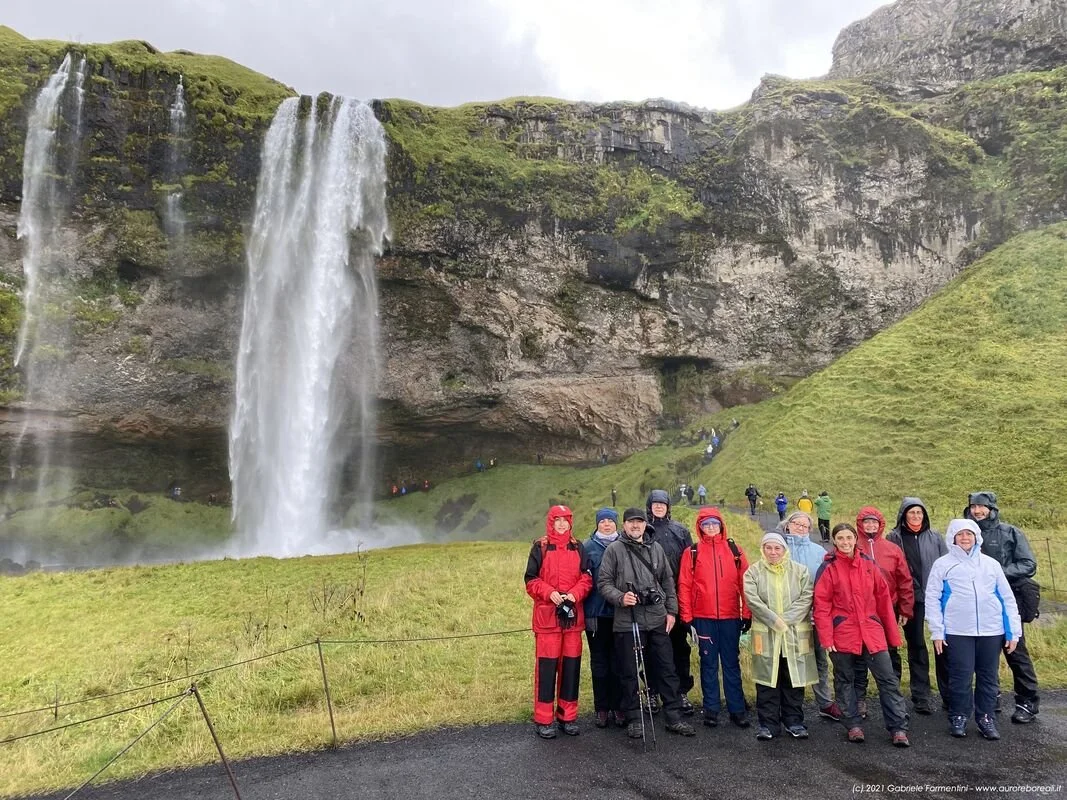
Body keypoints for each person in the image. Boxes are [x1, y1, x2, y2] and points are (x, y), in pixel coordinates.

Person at [597, 507, 696, 738]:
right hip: (627, 619)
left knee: (666, 667)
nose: (635, 526)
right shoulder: (614, 550)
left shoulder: (656, 548)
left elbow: (668, 581)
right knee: (629, 671)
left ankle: (673, 716)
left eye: (639, 522)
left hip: (657, 617)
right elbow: (604, 583)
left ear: (645, 524)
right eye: (631, 522)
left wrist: (672, 611)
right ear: (624, 525)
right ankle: (634, 717)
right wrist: (621, 598)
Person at [814, 523, 910, 747]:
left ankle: (898, 728)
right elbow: (821, 605)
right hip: (843, 633)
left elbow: (884, 601)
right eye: (840, 538)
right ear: (834, 541)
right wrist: (826, 637)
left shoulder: (869, 564)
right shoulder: (828, 568)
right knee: (845, 680)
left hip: (872, 631)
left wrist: (893, 636)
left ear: (855, 539)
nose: (845, 542)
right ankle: (853, 724)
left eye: (849, 538)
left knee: (888, 680)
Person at [926, 519, 1022, 740]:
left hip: (991, 630)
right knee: (961, 676)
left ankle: (986, 718)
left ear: (977, 537)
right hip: (958, 631)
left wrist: (1013, 631)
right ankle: (958, 716)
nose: (965, 538)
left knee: (989, 677)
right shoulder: (943, 564)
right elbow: (932, 598)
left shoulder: (991, 564)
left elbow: (1007, 598)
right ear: (953, 537)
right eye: (960, 535)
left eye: (969, 534)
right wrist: (937, 631)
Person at [965, 491, 1040, 724]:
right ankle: (990, 695)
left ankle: (1027, 701)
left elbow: (1028, 564)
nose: (977, 511)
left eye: (982, 507)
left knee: (1015, 650)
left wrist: (997, 574)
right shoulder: (965, 535)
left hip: (1008, 600)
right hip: (977, 603)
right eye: (974, 506)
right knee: (985, 652)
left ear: (991, 508)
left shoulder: (1010, 532)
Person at [678, 506, 752, 729]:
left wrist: (746, 613)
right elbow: (684, 585)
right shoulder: (692, 552)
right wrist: (687, 616)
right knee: (708, 663)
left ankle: (736, 709)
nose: (710, 527)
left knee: (731, 663)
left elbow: (745, 584)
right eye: (706, 524)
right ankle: (711, 709)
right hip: (703, 618)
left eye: (714, 523)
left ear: (721, 525)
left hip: (730, 616)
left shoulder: (734, 549)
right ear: (699, 527)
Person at [524, 505, 593, 739]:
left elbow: (587, 577)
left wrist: (574, 594)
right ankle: (544, 719)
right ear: (550, 522)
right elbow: (530, 580)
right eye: (557, 520)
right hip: (547, 621)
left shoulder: (578, 547)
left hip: (572, 619)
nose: (562, 524)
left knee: (571, 669)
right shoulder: (540, 547)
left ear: (571, 523)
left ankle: (568, 716)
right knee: (546, 670)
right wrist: (549, 592)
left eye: (566, 520)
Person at [744, 532, 819, 740]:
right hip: (766, 635)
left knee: (793, 680)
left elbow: (806, 598)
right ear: (763, 549)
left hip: (794, 635)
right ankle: (768, 725)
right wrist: (774, 621)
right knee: (767, 681)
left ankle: (794, 721)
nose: (773, 552)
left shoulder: (800, 571)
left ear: (785, 550)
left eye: (777, 548)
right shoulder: (753, 573)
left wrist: (785, 620)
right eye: (769, 548)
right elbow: (753, 601)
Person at [886, 497, 948, 715]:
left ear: (925, 515)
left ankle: (922, 696)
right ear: (903, 515)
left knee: (920, 646)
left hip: (927, 598)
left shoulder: (935, 538)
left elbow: (945, 566)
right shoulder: (893, 538)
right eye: (911, 512)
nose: (915, 516)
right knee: (895, 644)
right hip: (901, 598)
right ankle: (892, 695)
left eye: (919, 513)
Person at [853, 506, 914, 720]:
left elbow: (905, 580)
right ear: (860, 524)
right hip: (860, 613)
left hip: (888, 610)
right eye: (866, 522)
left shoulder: (892, 549)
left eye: (874, 522)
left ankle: (892, 696)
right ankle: (859, 699)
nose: (870, 526)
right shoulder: (851, 546)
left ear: (881, 525)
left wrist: (905, 608)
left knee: (889, 653)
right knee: (859, 657)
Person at [778, 511, 840, 721]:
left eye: (805, 526)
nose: (801, 529)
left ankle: (824, 702)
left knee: (819, 659)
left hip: (815, 614)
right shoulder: (779, 548)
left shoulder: (819, 551)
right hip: (786, 616)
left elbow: (828, 582)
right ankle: (790, 706)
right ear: (788, 525)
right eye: (797, 525)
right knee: (789, 661)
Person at [645, 489, 696, 715]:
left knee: (679, 648)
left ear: (668, 506)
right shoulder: (642, 531)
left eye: (662, 504)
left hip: (676, 597)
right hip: (649, 600)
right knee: (651, 648)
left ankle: (680, 692)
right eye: (654, 504)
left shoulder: (680, 531)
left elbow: (691, 564)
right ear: (649, 506)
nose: (658, 507)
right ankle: (652, 691)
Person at [584, 508, 625, 728]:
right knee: (599, 662)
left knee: (619, 662)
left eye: (610, 521)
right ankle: (601, 708)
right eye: (603, 521)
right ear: (597, 524)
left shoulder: (625, 545)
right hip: (596, 613)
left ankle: (619, 707)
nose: (607, 524)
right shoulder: (587, 547)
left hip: (621, 614)